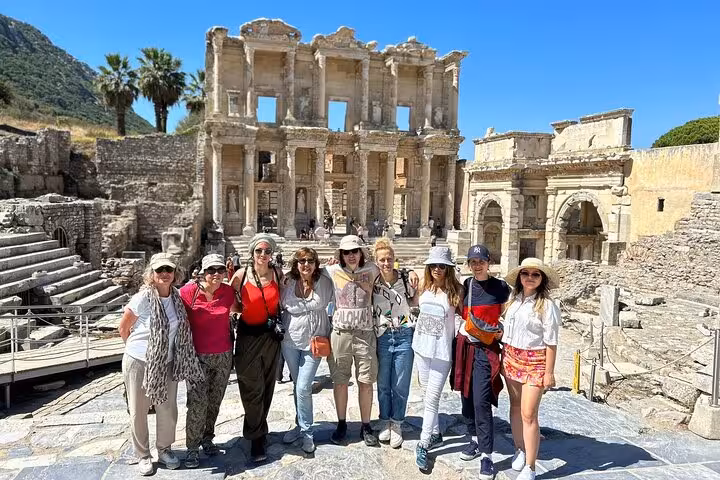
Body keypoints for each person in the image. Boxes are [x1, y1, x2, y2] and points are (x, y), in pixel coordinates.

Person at [118, 253, 203, 476]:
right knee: (139, 410)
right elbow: (123, 329)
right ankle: (143, 455)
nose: (164, 273)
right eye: (159, 270)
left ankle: (164, 449)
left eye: (169, 269)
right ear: (152, 275)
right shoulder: (142, 298)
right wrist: (141, 352)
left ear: (175, 274)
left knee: (168, 409)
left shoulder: (176, 298)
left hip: (167, 362)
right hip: (139, 362)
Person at [453, 245, 510, 480]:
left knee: (481, 401)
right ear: (469, 265)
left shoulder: (500, 288)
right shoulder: (466, 285)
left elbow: (509, 315)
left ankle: (487, 456)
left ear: (489, 262)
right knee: (465, 395)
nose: (477, 265)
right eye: (473, 262)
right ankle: (474, 439)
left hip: (486, 350)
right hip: (465, 348)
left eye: (481, 261)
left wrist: (502, 331)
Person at [502, 258, 560, 480]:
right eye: (526, 273)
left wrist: (549, 372)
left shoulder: (547, 306)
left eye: (536, 274)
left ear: (542, 279)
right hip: (512, 357)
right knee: (515, 407)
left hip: (535, 361)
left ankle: (531, 466)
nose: (530, 277)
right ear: (519, 277)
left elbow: (551, 342)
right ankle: (519, 449)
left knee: (529, 414)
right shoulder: (513, 300)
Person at [179, 254, 239, 468]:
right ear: (203, 272)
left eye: (220, 270)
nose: (216, 274)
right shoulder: (188, 293)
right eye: (211, 270)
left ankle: (207, 438)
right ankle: (192, 448)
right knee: (197, 403)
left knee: (214, 401)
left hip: (223, 355)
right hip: (197, 357)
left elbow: (238, 309)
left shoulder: (228, 292)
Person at [230, 234, 284, 463]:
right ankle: (255, 436)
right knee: (251, 386)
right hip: (247, 335)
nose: (263, 255)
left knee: (267, 384)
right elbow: (230, 302)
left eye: (267, 251)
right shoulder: (240, 276)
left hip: (270, 336)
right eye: (259, 251)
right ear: (252, 253)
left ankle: (259, 429)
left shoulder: (277, 275)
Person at [412, 247, 464, 471]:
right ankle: (435, 433)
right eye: (433, 265)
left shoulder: (457, 291)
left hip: (442, 352)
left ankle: (423, 443)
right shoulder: (424, 286)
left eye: (442, 266)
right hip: (421, 348)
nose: (437, 269)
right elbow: (412, 303)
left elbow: (468, 315)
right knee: (426, 394)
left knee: (432, 398)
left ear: (449, 268)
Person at [280, 247, 334, 453]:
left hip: (314, 343)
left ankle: (307, 432)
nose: (306, 264)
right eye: (301, 261)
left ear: (316, 263)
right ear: (296, 264)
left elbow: (345, 275)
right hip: (290, 341)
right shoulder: (287, 282)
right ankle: (298, 424)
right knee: (297, 386)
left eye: (310, 260)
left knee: (303, 387)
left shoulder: (325, 282)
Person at [372, 238, 417, 448]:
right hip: (382, 335)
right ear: (376, 261)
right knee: (383, 384)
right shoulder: (372, 280)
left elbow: (416, 302)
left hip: (404, 334)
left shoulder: (406, 278)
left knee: (400, 384)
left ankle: (397, 422)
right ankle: (384, 421)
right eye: (382, 260)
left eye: (389, 259)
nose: (386, 263)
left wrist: (411, 271)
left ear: (394, 260)